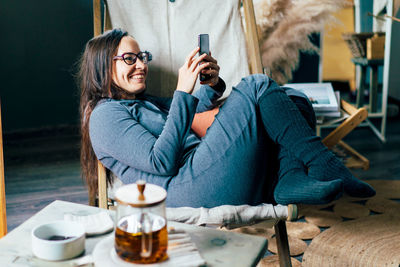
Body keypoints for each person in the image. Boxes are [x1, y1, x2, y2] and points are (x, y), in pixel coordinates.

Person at [79, 29, 375, 208]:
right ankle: (326, 163)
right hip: (187, 188)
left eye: (142, 56)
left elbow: (189, 116)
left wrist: (211, 84)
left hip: (208, 169)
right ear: (103, 65)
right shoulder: (104, 117)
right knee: (256, 85)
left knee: (295, 99)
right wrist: (182, 90)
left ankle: (288, 180)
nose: (141, 65)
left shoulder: (139, 102)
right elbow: (161, 162)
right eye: (129, 59)